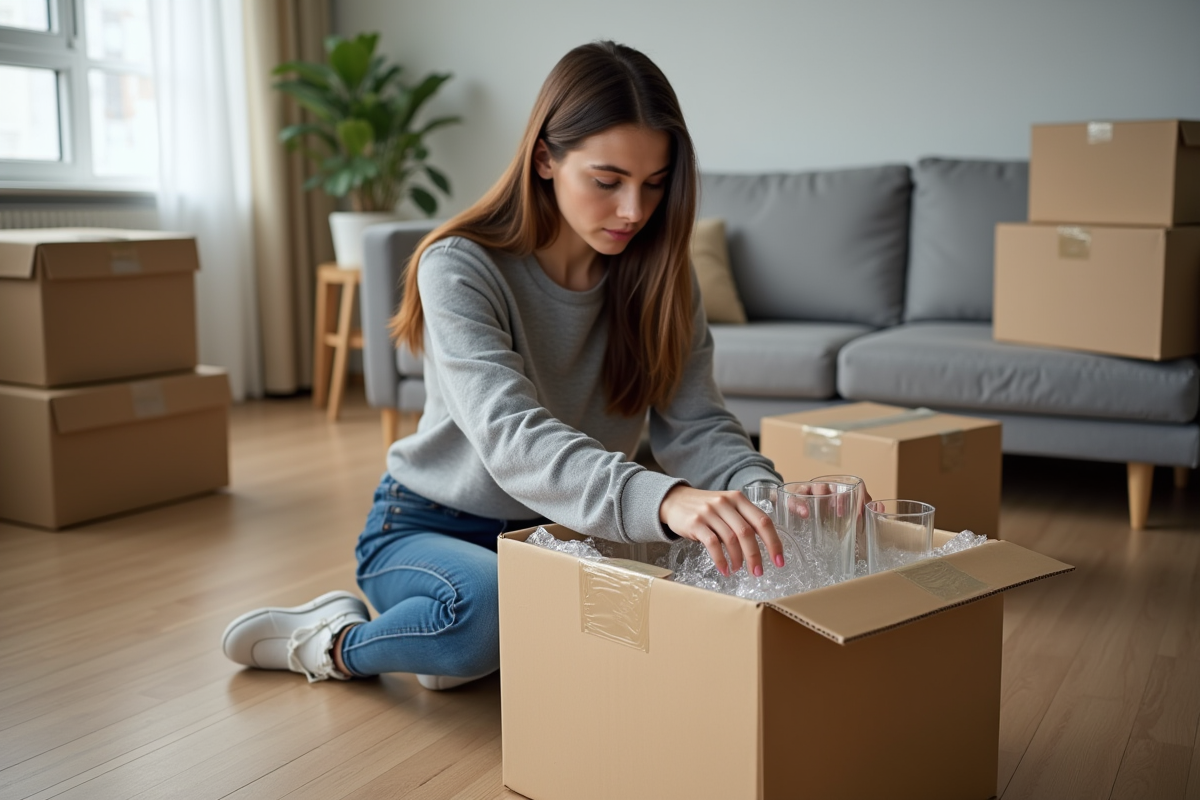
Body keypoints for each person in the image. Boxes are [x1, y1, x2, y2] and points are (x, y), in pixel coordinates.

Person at [222, 40, 798, 690]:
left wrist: (767, 499)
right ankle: (333, 641)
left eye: (654, 185)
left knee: (674, 599)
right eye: (607, 182)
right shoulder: (461, 266)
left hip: (563, 534)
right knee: (488, 609)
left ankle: (463, 641)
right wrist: (665, 498)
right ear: (546, 158)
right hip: (430, 524)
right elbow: (512, 440)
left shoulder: (664, 279)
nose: (634, 211)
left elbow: (698, 424)